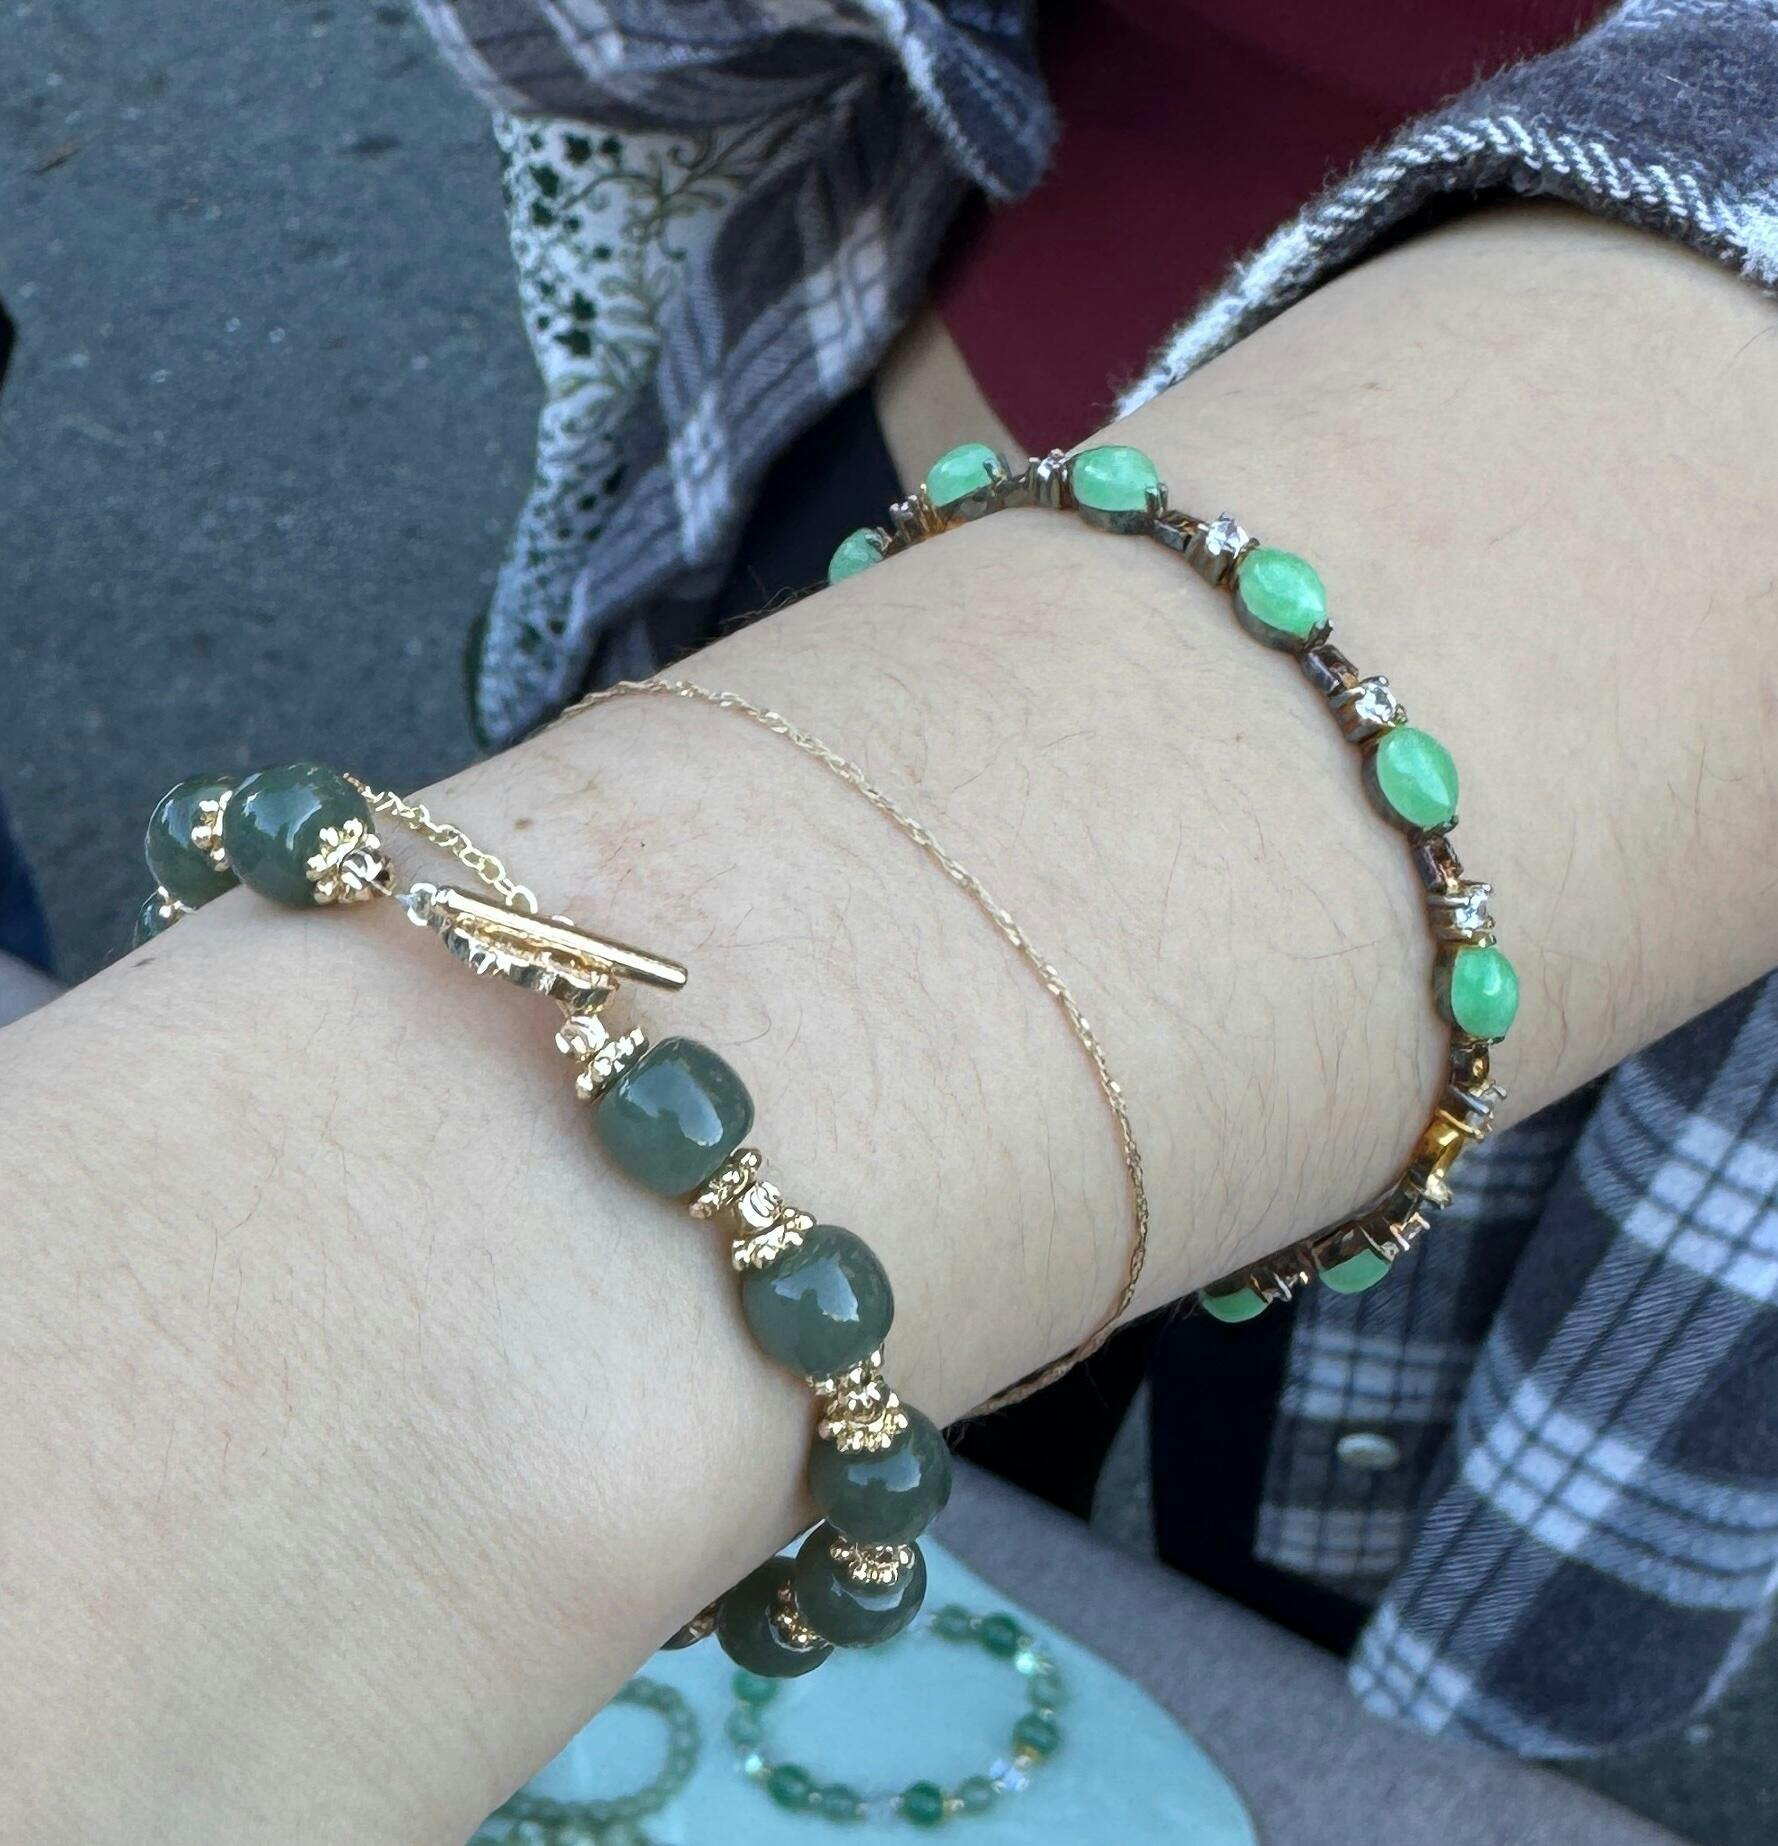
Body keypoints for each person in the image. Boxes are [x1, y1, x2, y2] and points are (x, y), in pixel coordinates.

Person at [4, 4, 1775, 1839]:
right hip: (893, 467)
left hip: (1593, 819)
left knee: (1285, 1558)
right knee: (937, 1462)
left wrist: (430, 1241)